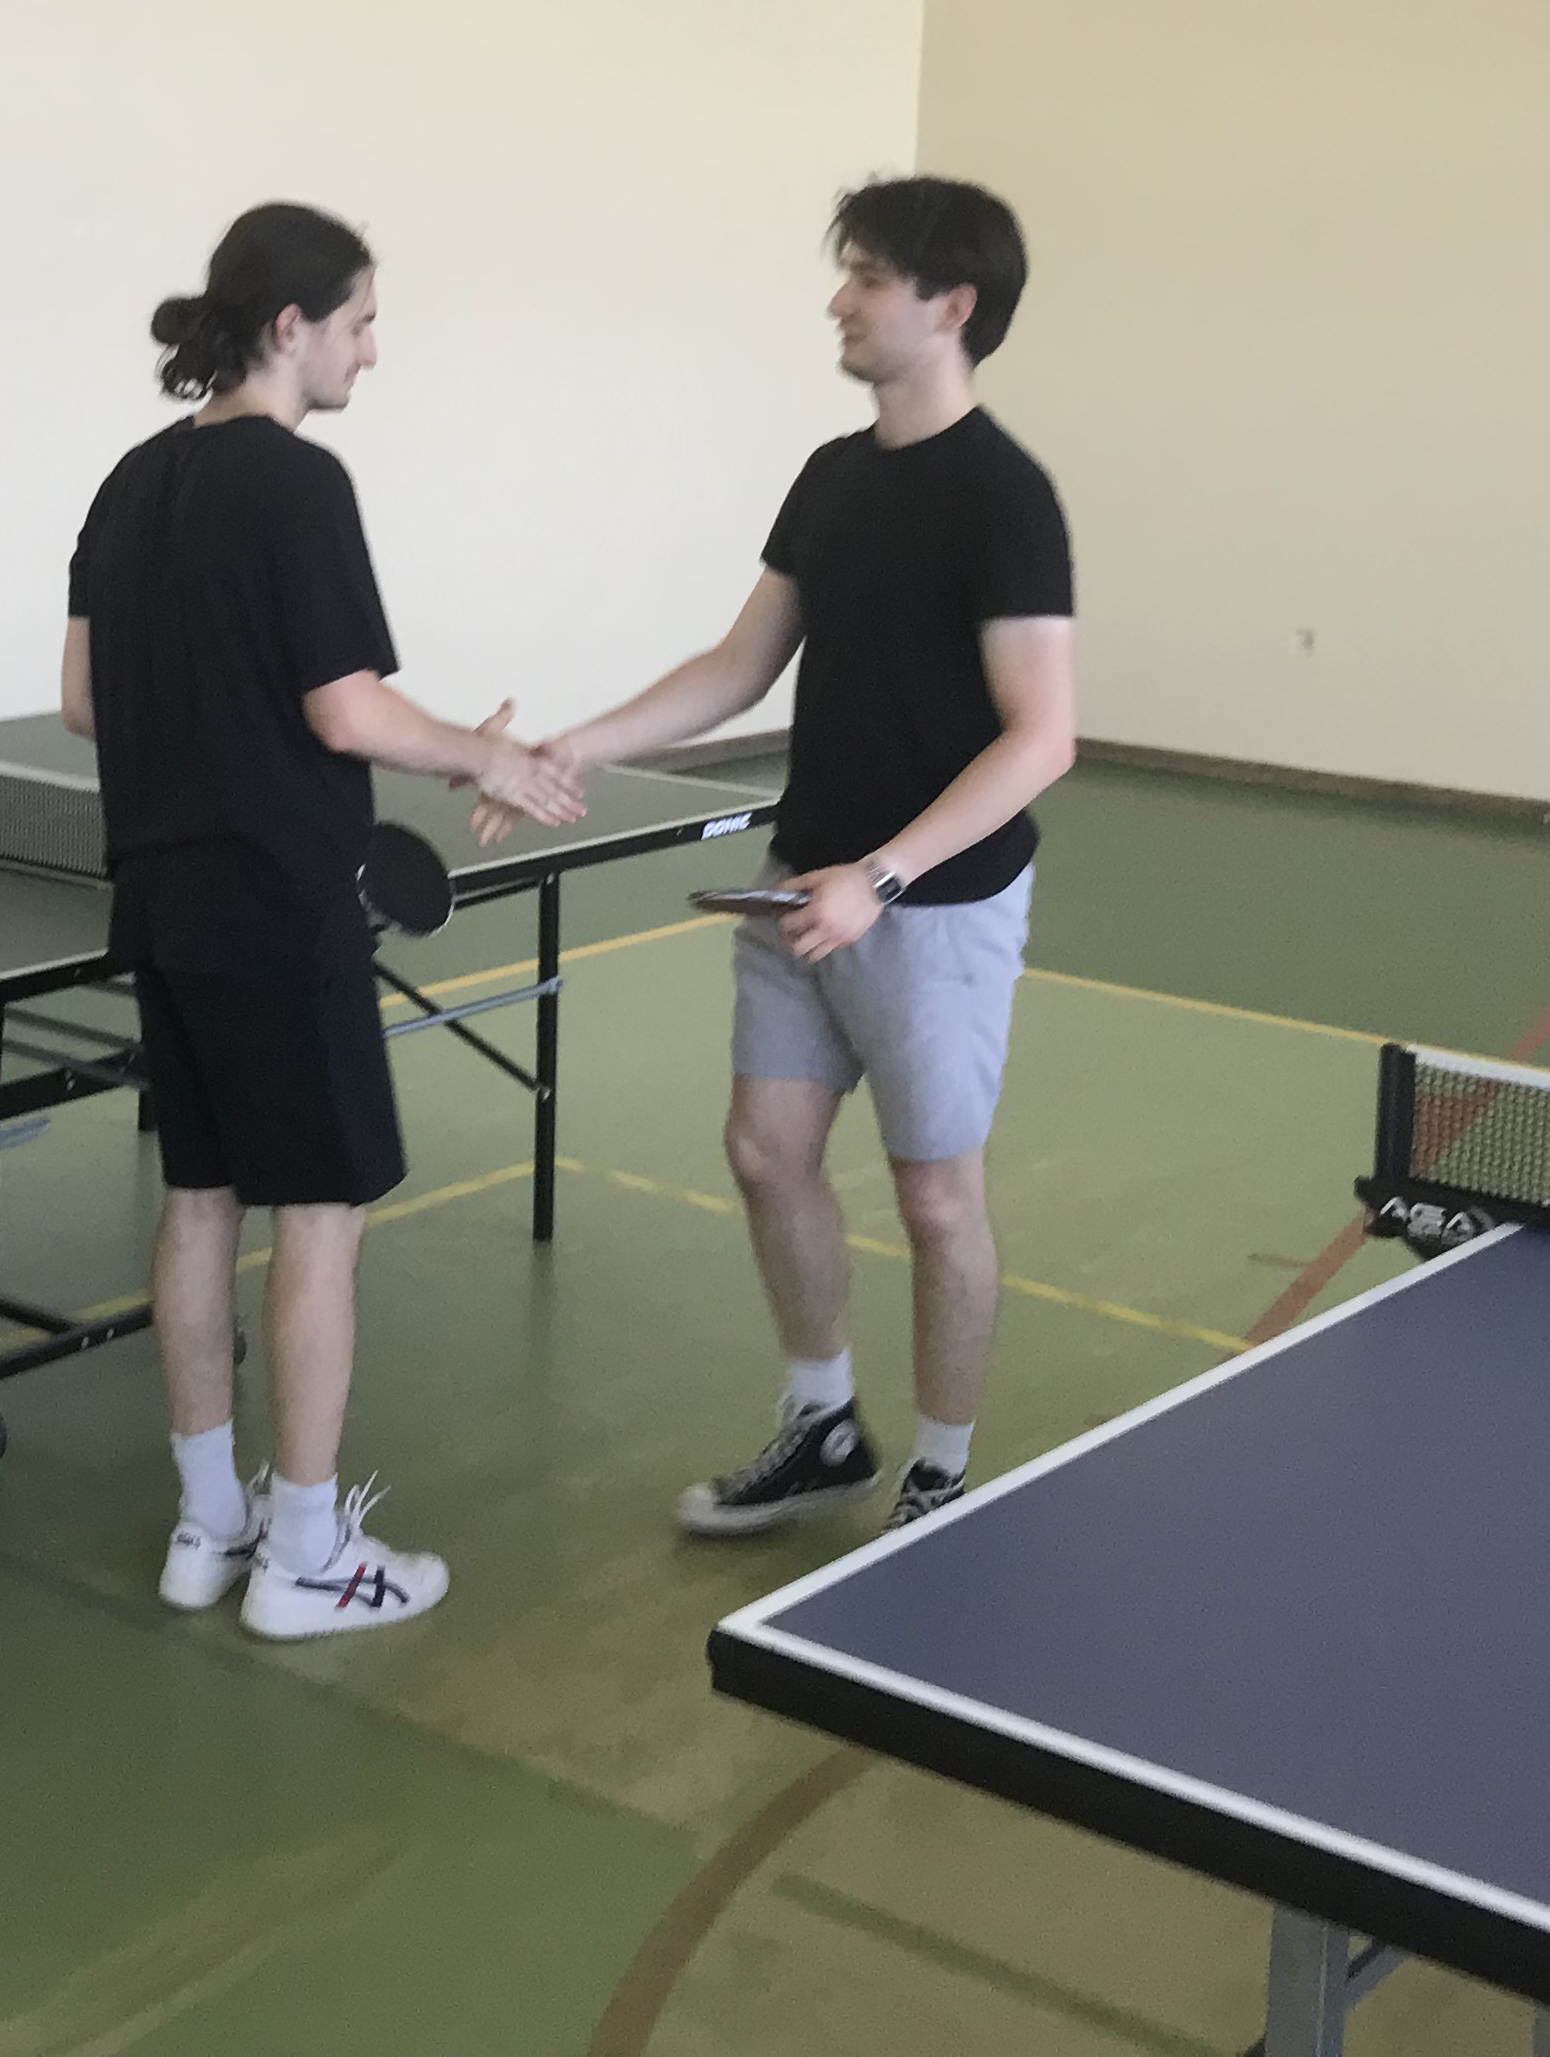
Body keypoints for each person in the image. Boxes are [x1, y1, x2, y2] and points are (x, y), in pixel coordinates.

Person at [63, 204, 586, 1640]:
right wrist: (484, 756)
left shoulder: (129, 483)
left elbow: (86, 701)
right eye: (360, 321)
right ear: (288, 327)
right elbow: (345, 710)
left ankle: (207, 1527)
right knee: (319, 1215)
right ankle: (302, 1557)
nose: (372, 349)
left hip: (160, 899)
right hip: (280, 904)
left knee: (198, 1200)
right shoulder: (298, 485)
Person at [529, 177, 1071, 1535]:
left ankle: (940, 1473)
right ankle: (822, 1424)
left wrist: (881, 876)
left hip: (929, 905)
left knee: (935, 1200)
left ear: (951, 306)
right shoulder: (833, 477)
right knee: (767, 1151)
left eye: (869, 277)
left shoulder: (1006, 497)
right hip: (798, 884)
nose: (840, 300)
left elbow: (1042, 737)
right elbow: (738, 664)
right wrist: (576, 744)